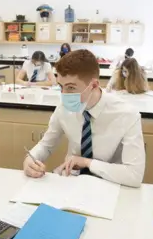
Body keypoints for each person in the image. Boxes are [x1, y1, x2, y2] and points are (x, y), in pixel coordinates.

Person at [23, 49, 145, 187]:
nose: (64, 95)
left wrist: (87, 163)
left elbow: (134, 175)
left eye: (70, 88)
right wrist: (30, 158)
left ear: (93, 85)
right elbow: (46, 145)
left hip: (110, 185)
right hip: (71, 182)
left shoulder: (127, 114)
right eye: (61, 86)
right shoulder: (63, 109)